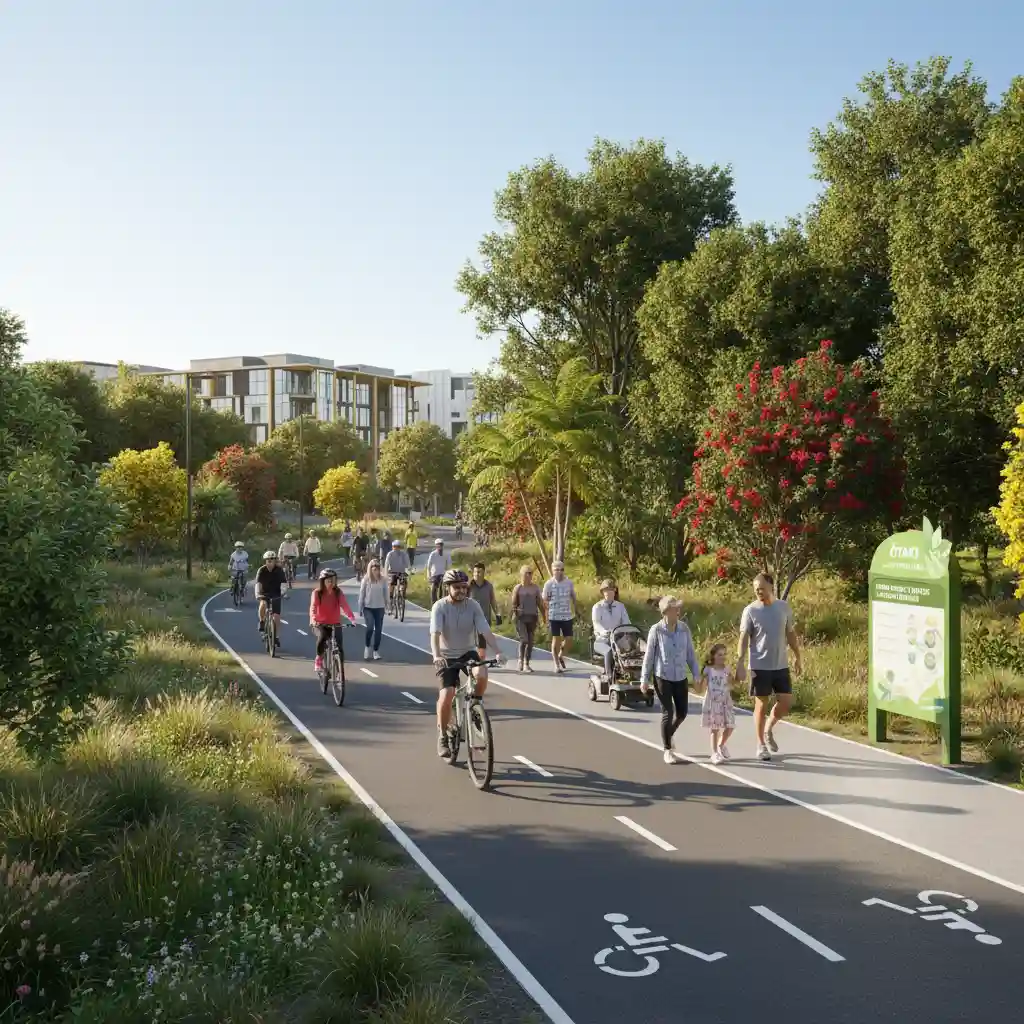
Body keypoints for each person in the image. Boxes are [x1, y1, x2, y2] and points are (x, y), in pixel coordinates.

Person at [430, 568, 503, 758]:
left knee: (482, 674)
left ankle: (476, 705)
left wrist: (498, 651)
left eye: (464, 587)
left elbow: (485, 631)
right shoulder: (439, 607)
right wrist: (436, 655)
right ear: (448, 588)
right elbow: (435, 635)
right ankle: (443, 735)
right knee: (447, 694)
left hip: (467, 652)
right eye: (456, 587)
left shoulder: (473, 606)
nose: (461, 591)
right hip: (446, 655)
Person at [735, 572, 802, 761]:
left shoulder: (783, 608)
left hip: (780, 664)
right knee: (761, 704)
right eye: (756, 589)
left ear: (771, 587)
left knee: (786, 702)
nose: (759, 592)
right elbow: (743, 638)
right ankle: (760, 745)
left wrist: (798, 657)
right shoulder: (750, 611)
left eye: (762, 589)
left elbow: (790, 634)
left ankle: (768, 729)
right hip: (759, 665)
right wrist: (740, 662)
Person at [640, 595, 700, 764]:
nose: (678, 611)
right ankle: (667, 749)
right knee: (668, 713)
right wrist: (644, 678)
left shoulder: (684, 629)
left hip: (680, 676)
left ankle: (669, 734)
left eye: (678, 608)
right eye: (675, 609)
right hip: (663, 677)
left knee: (682, 713)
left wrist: (696, 674)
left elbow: (690, 654)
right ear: (666, 612)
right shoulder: (656, 630)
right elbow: (649, 656)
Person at [309, 568, 356, 673]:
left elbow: (345, 606)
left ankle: (339, 668)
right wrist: (314, 619)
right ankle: (319, 659)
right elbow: (313, 607)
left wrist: (352, 618)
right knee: (322, 637)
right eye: (328, 581)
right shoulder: (317, 593)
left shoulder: (338, 592)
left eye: (333, 581)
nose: (331, 583)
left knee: (339, 645)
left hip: (335, 623)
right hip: (319, 623)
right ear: (323, 581)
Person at [701, 643, 736, 764]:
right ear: (713, 656)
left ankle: (721, 744)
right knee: (714, 728)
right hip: (713, 701)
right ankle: (714, 753)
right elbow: (702, 686)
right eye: (719, 654)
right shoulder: (709, 670)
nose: (722, 657)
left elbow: (732, 684)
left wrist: (731, 679)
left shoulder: (727, 670)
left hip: (725, 700)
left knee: (730, 726)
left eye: (724, 654)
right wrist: (700, 681)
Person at [591, 578, 630, 684]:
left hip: (617, 639)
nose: (608, 592)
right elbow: (596, 623)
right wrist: (605, 632)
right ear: (602, 592)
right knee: (609, 651)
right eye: (605, 590)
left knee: (631, 651)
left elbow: (627, 623)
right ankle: (609, 677)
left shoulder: (620, 607)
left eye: (611, 590)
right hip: (602, 640)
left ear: (615, 591)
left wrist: (625, 632)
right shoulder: (597, 607)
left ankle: (629, 676)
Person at [542, 560, 577, 674]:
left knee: (569, 640)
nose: (559, 572)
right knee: (556, 640)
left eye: (561, 569)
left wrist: (576, 610)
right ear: (553, 571)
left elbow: (573, 597)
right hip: (554, 616)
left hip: (567, 615)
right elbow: (544, 601)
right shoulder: (548, 584)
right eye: (557, 569)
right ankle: (556, 664)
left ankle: (561, 655)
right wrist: (545, 617)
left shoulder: (569, 583)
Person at [510, 565, 544, 672]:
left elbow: (540, 603)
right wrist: (516, 612)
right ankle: (520, 660)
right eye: (527, 573)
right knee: (524, 640)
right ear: (522, 575)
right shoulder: (518, 588)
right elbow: (513, 604)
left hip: (532, 617)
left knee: (530, 641)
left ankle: (526, 663)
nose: (529, 575)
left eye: (531, 573)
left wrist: (544, 616)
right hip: (521, 618)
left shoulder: (535, 588)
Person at [254, 550, 287, 648]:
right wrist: (258, 594)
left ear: (275, 561)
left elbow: (284, 584)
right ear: (265, 561)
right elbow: (258, 584)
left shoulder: (279, 570)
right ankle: (262, 622)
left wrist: (283, 593)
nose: (270, 562)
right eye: (268, 560)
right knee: (263, 604)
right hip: (265, 593)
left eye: (272, 560)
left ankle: (275, 636)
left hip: (276, 594)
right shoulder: (261, 570)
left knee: (276, 616)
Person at [357, 558, 388, 660]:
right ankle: (367, 647)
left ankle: (375, 651)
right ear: (370, 569)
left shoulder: (383, 580)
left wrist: (388, 604)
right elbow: (362, 594)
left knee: (378, 630)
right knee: (370, 627)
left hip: (379, 607)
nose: (375, 570)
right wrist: (360, 607)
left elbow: (386, 593)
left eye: (377, 568)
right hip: (368, 607)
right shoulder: (366, 580)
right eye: (373, 567)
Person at [468, 562, 501, 657]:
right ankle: (473, 659)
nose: (476, 574)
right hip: (470, 618)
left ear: (483, 573)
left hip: (485, 618)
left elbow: (493, 601)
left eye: (479, 572)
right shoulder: (468, 586)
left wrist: (497, 614)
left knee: (482, 641)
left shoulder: (488, 586)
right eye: (475, 572)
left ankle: (480, 660)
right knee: (472, 641)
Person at [384, 538, 411, 608]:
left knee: (405, 582)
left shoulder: (404, 554)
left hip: (401, 571)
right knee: (392, 582)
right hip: (392, 572)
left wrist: (409, 570)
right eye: (395, 547)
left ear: (400, 547)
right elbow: (386, 564)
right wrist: (386, 574)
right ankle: (391, 598)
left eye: (398, 547)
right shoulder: (390, 554)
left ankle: (403, 595)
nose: (396, 548)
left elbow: (408, 563)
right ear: (392, 547)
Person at [426, 538, 452, 604]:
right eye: (438, 545)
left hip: (443, 574)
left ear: (443, 546)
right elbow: (428, 566)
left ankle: (444, 602)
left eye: (441, 545)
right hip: (434, 575)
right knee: (433, 589)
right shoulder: (433, 554)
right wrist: (428, 575)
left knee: (445, 589)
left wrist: (448, 574)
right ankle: (433, 604)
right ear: (436, 546)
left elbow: (449, 566)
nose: (440, 547)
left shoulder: (446, 554)